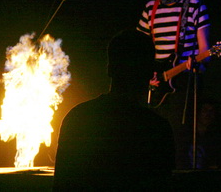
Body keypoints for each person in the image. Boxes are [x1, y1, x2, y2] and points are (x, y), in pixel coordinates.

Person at [53, 29, 174, 191]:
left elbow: (62, 185)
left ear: (109, 69)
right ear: (149, 73)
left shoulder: (77, 118)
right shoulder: (157, 128)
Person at [136, 0, 211, 169]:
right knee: (151, 137)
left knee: (178, 137)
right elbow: (140, 48)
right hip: (155, 83)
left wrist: (198, 66)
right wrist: (146, 76)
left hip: (184, 83)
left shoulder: (195, 6)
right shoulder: (150, 7)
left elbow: (205, 51)